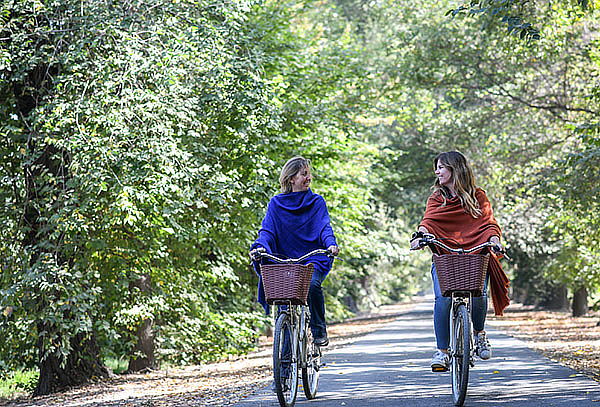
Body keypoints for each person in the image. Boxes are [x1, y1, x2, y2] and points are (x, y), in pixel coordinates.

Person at [410, 151, 510, 371]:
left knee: (480, 294)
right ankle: (442, 352)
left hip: (475, 256)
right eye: (436, 167)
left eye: (441, 167)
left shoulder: (478, 196)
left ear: (455, 169)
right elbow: (428, 221)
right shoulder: (437, 198)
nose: (437, 172)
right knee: (442, 300)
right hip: (445, 258)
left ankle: (479, 333)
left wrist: (494, 240)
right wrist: (419, 236)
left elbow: (489, 225)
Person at [250, 156, 339, 346]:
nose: (309, 178)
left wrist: (330, 244)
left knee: (313, 285)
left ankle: (318, 330)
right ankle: (284, 366)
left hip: (312, 258)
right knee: (284, 303)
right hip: (284, 261)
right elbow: (267, 230)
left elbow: (324, 227)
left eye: (309, 174)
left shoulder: (317, 202)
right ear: (291, 178)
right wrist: (260, 246)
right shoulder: (276, 203)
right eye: (304, 174)